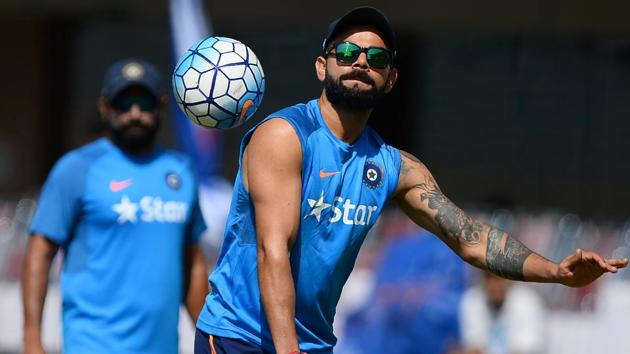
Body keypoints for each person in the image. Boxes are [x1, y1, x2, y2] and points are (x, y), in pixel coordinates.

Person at [194, 7, 628, 354]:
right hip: (239, 336)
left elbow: (472, 239)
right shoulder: (284, 137)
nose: (361, 62)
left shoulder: (395, 167)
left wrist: (556, 272)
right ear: (322, 66)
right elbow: (273, 252)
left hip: (309, 343)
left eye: (377, 58)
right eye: (347, 53)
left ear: (391, 78)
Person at [22, 58, 208, 354]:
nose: (134, 113)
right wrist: (32, 339)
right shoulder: (76, 168)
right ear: (105, 107)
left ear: (160, 106)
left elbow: (192, 261)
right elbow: (40, 252)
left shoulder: (180, 172)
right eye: (124, 103)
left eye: (144, 102)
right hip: (93, 344)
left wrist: (207, 334)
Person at [459, 272, 546, 354]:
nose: (495, 284)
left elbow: (526, 349)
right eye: (490, 277)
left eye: (500, 277)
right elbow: (474, 347)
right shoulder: (472, 300)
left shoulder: (528, 302)